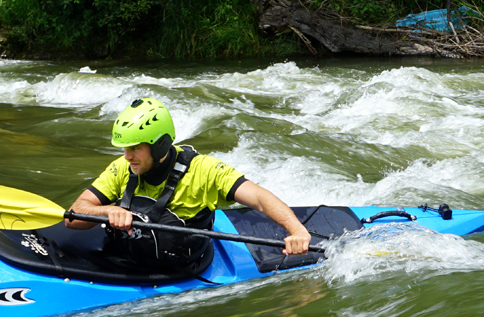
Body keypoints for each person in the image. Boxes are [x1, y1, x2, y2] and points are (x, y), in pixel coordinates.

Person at [66, 97, 312, 269]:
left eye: (135, 148)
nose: (127, 156)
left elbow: (259, 198)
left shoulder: (204, 171)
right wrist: (107, 210)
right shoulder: (123, 168)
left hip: (180, 266)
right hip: (125, 259)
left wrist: (297, 231)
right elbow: (73, 216)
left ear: (159, 145)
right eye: (124, 148)